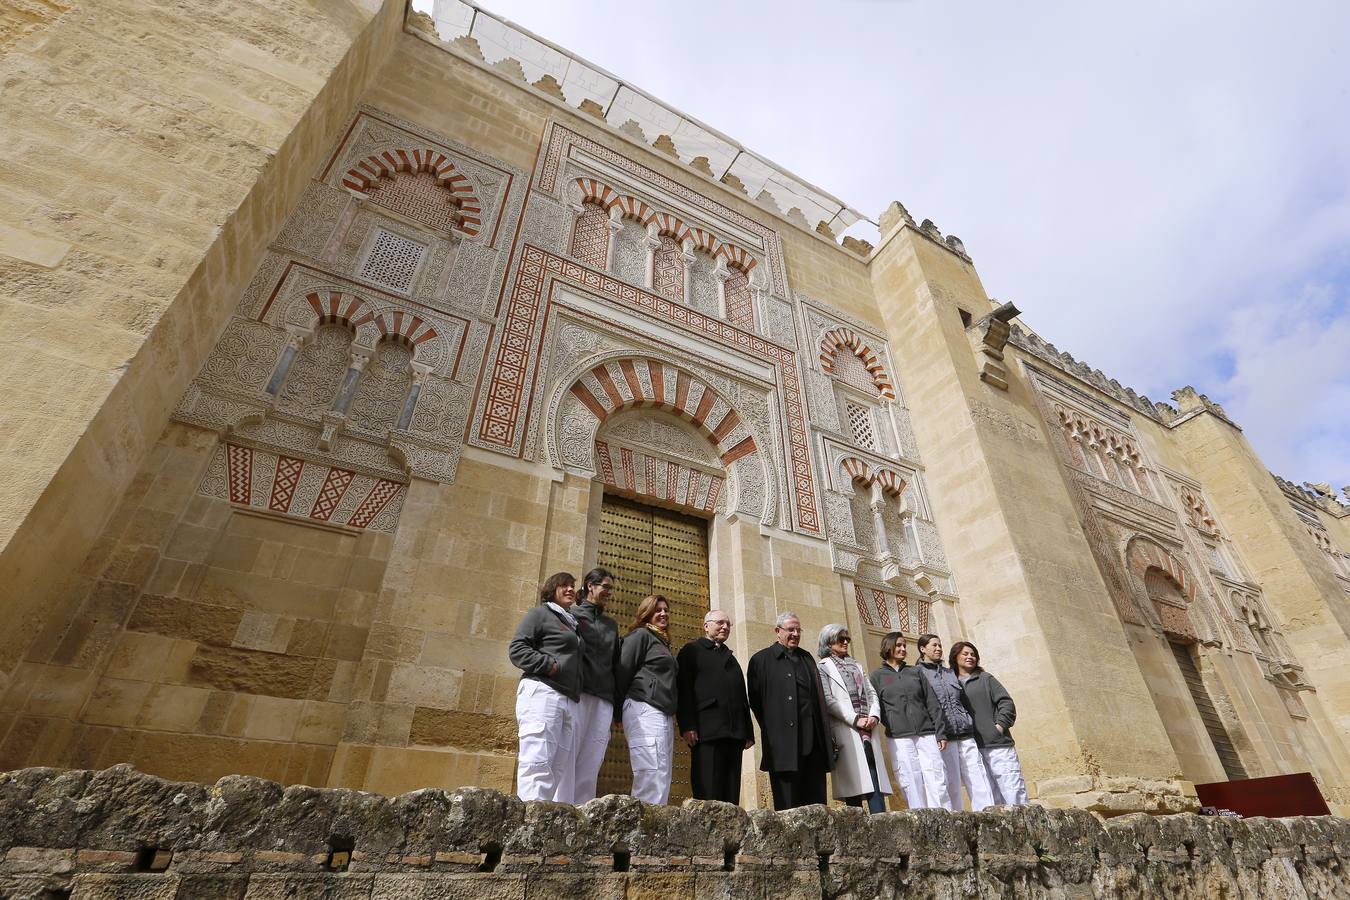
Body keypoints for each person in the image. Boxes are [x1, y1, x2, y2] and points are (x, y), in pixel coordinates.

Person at [507, 571, 582, 802]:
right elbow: (517, 650)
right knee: (537, 762)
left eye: (572, 586)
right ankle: (530, 823)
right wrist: (550, 665)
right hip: (543, 691)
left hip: (567, 699)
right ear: (552, 588)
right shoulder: (540, 614)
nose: (570, 589)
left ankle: (542, 824)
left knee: (556, 768)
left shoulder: (570, 622)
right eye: (564, 585)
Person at [747, 612, 834, 810]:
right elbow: (756, 702)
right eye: (790, 630)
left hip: (812, 745)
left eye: (798, 630)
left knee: (816, 806)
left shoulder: (807, 658)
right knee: (787, 807)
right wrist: (776, 727)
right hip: (782, 747)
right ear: (778, 631)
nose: (795, 634)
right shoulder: (760, 660)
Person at [676, 609, 755, 803]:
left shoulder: (731, 658)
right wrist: (687, 725)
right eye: (720, 622)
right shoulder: (691, 651)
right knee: (708, 793)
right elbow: (683, 690)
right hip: (706, 731)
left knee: (730, 795)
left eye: (728, 624)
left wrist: (748, 732)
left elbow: (741, 696)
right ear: (706, 626)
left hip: (734, 734)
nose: (725, 627)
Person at [869, 631, 950, 809]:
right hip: (899, 737)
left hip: (927, 733)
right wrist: (892, 722)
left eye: (904, 645)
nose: (903, 648)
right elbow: (875, 705)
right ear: (888, 647)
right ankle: (919, 820)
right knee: (909, 779)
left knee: (937, 777)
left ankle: (945, 817)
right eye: (898, 645)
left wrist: (940, 733)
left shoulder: (916, 672)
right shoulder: (877, 677)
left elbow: (932, 702)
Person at [560, 567, 620, 804]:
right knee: (568, 753)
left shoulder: (611, 625)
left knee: (592, 758)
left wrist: (616, 705)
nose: (609, 592)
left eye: (611, 588)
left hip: (603, 698)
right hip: (577, 694)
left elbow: (615, 663)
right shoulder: (572, 616)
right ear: (589, 586)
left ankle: (582, 812)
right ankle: (561, 809)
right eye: (605, 586)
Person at [817, 624, 892, 813]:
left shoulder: (857, 666)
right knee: (854, 787)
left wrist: (874, 715)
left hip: (867, 731)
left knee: (875, 784)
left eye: (847, 639)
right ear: (828, 642)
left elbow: (871, 693)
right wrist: (855, 719)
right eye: (840, 639)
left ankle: (881, 828)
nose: (845, 642)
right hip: (846, 730)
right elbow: (828, 700)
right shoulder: (823, 667)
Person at [916, 633, 996, 811]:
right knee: (951, 785)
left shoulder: (949, 672)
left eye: (940, 646)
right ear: (923, 649)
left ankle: (989, 819)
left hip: (966, 734)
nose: (938, 649)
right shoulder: (918, 674)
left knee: (979, 780)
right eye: (934, 645)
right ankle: (956, 823)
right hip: (945, 737)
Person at [616, 594, 678, 804]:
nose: (663, 614)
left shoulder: (662, 642)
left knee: (661, 774)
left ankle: (656, 830)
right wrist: (616, 711)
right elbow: (622, 671)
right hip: (644, 707)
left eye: (665, 610)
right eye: (657, 610)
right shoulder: (640, 636)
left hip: (662, 712)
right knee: (650, 772)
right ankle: (646, 830)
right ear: (646, 613)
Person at [951, 640, 1028, 805]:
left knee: (1013, 791)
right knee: (990, 797)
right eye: (965, 654)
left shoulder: (985, 678)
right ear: (955, 656)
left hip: (998, 745)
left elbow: (1006, 703)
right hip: (972, 749)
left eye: (973, 654)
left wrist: (998, 727)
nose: (970, 657)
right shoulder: (951, 684)